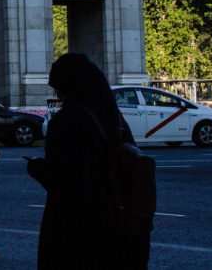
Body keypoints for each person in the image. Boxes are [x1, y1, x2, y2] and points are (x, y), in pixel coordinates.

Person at [26, 52, 136, 269]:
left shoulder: (65, 122)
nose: (57, 95)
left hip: (72, 223)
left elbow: (59, 179)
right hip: (112, 218)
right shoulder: (113, 118)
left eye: (58, 89)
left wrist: (36, 168)